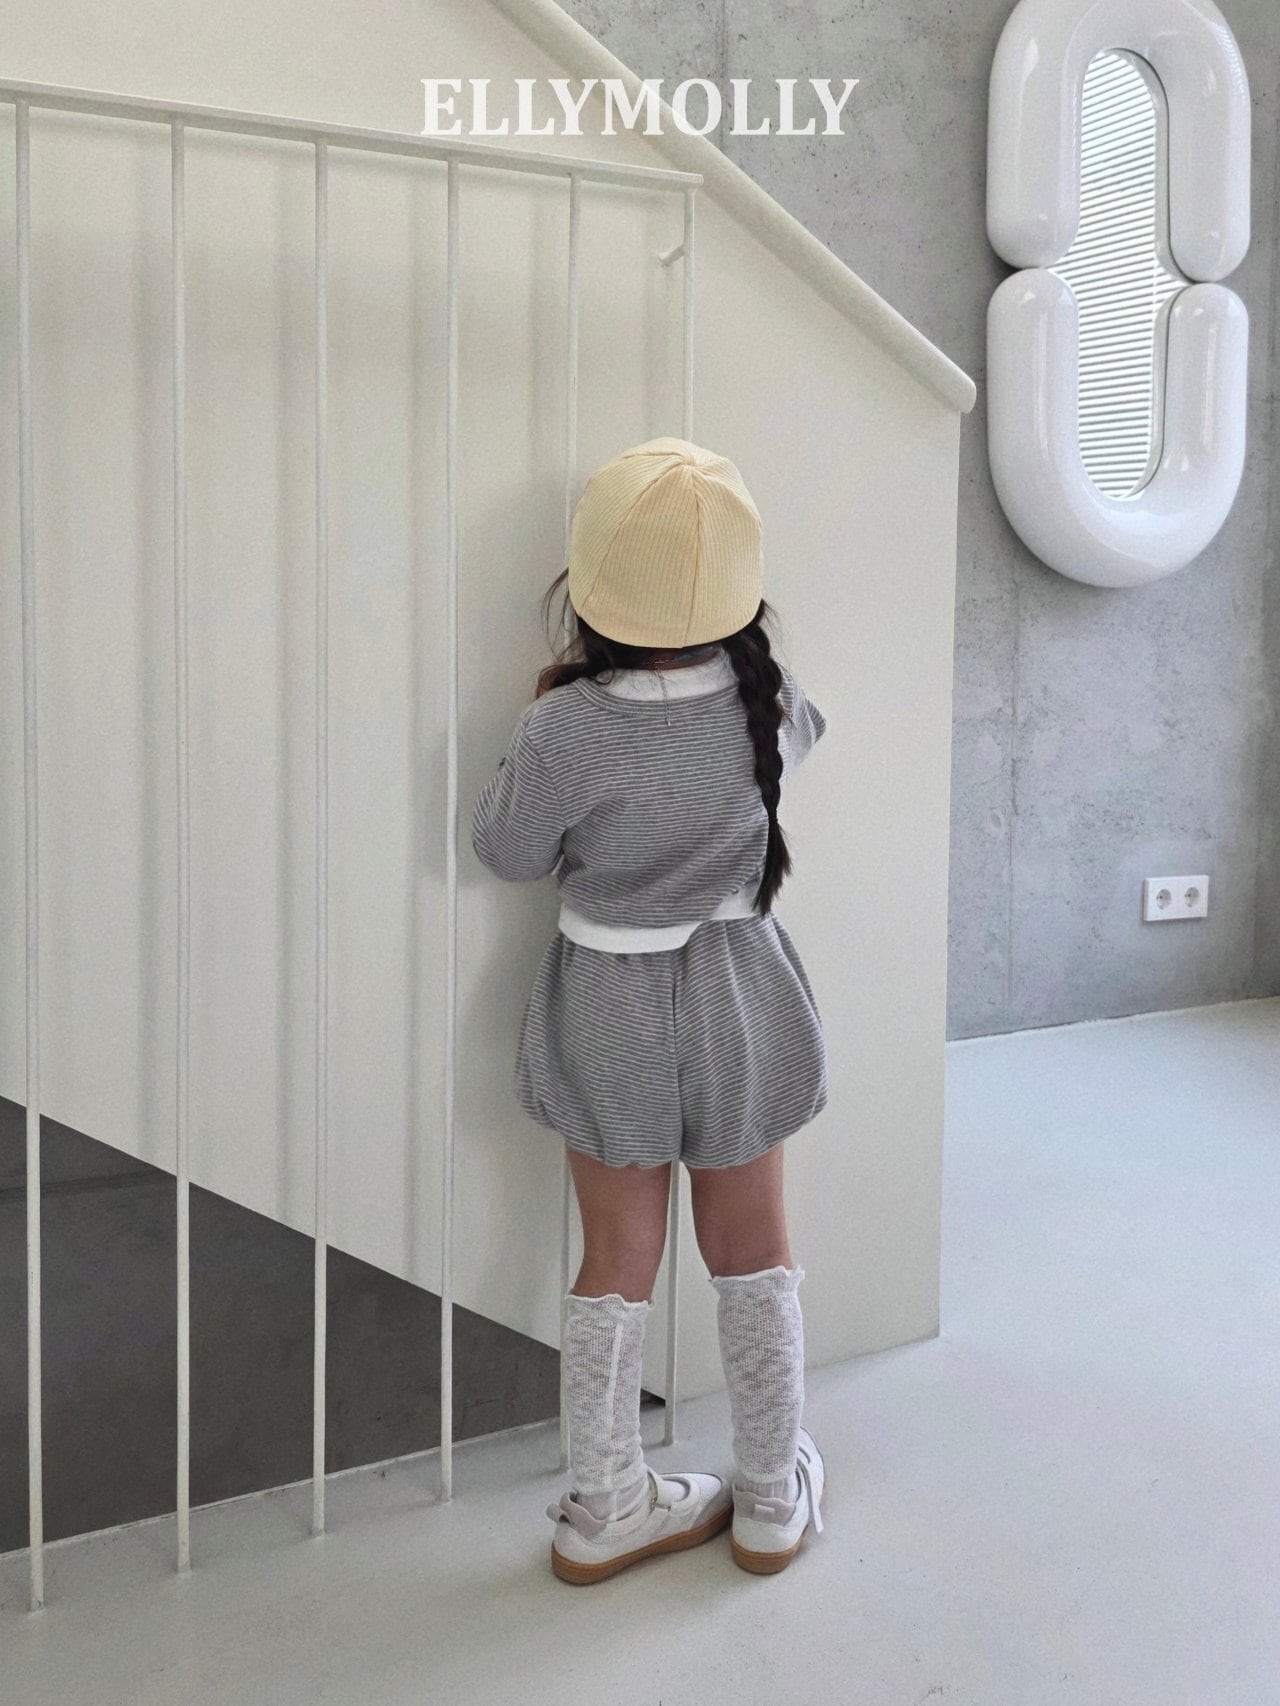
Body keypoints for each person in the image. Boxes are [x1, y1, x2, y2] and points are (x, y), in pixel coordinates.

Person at [471, 436, 829, 1585]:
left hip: (607, 1003)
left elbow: (506, 849)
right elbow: (795, 746)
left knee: (616, 1255)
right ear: (741, 590)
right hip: (739, 992)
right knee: (754, 1251)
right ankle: (768, 1498)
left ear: (585, 585)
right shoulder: (770, 703)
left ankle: (607, 1505)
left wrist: (538, 729)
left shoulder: (565, 725)